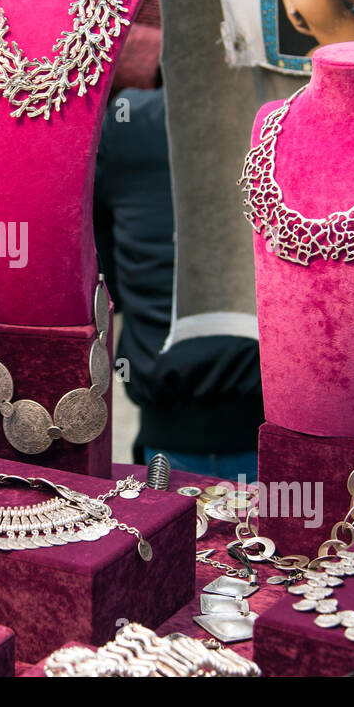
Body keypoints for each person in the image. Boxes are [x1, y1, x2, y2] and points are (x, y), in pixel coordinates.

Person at [93, 89, 266, 481]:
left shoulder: (129, 121)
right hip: (272, 405)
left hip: (170, 400)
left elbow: (106, 266)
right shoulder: (291, 112)